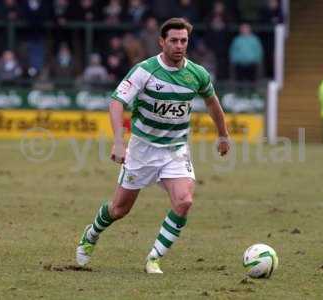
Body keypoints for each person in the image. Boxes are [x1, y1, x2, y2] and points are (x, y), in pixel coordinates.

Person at [75, 18, 230, 274]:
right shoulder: (144, 71)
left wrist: (223, 135)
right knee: (119, 209)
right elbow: (116, 102)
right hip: (141, 149)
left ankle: (153, 258)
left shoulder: (197, 74)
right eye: (174, 41)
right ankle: (91, 234)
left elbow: (213, 103)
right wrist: (118, 140)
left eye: (184, 41)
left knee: (184, 201)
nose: (179, 46)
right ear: (162, 42)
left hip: (176, 149)